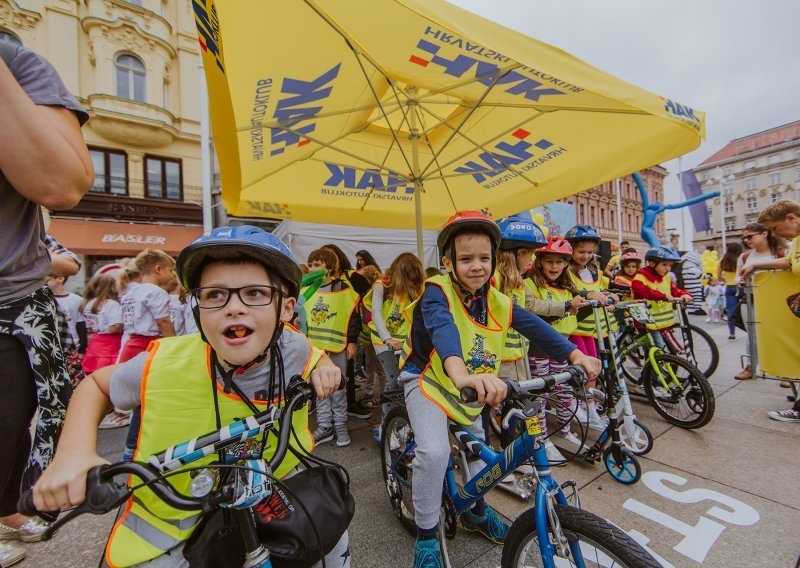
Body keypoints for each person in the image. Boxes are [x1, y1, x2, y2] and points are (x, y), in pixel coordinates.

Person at [32, 226, 349, 567]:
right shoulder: (163, 362)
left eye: (255, 293)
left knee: (334, 539)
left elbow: (305, 350)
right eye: (215, 295)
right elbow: (96, 384)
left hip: (270, 501)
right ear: (197, 308)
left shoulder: (293, 347)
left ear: (286, 310)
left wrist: (323, 363)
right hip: (167, 532)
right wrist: (73, 452)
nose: (234, 308)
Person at [399, 211, 601, 566]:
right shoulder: (436, 291)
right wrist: (462, 377)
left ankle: (475, 510)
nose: (476, 266)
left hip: (470, 385)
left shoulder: (495, 298)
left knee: (480, 452)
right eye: (465, 259)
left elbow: (534, 326)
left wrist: (574, 355)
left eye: (484, 258)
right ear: (447, 262)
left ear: (495, 260)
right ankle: (426, 535)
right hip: (428, 378)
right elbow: (444, 331)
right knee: (433, 454)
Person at [0, 43, 93, 565]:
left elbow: (63, 183)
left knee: (19, 414)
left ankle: (12, 505)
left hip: (12, 297)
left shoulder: (15, 63)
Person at [523, 236, 589, 460]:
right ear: (539, 261)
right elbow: (531, 307)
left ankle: (565, 431)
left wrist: (595, 296)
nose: (554, 267)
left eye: (559, 262)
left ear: (566, 264)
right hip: (538, 349)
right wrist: (568, 306)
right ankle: (540, 437)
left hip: (561, 348)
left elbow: (583, 295)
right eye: (549, 261)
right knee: (540, 395)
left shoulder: (567, 284)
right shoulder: (530, 283)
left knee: (564, 391)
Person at [740, 200, 800, 422]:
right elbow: (791, 262)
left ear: (791, 218)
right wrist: (756, 265)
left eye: (776, 228)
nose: (777, 233)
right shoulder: (797, 242)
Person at [119, 249, 177, 461]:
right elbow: (163, 321)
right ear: (158, 268)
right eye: (171, 270)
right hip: (148, 346)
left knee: (139, 402)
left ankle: (131, 448)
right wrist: (173, 347)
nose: (172, 275)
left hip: (131, 344)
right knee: (149, 401)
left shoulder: (130, 292)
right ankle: (136, 449)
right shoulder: (155, 292)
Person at [363, 252, 424, 442]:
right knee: (392, 381)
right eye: (408, 278)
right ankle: (387, 424)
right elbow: (376, 314)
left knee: (406, 380)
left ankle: (404, 422)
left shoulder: (417, 288)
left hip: (404, 341)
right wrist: (387, 339)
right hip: (383, 340)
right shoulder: (382, 286)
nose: (411, 283)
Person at [306, 248, 361, 446]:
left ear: (329, 268)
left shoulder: (342, 288)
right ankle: (324, 426)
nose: (312, 268)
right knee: (320, 388)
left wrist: (353, 342)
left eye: (317, 265)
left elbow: (353, 317)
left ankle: (340, 425)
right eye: (310, 264)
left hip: (338, 347)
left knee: (338, 388)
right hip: (315, 351)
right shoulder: (305, 290)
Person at [564, 225, 616, 430]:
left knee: (593, 370)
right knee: (581, 369)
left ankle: (589, 404)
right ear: (571, 250)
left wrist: (611, 296)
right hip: (576, 327)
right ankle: (575, 402)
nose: (585, 256)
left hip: (593, 329)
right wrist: (589, 295)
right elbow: (572, 290)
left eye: (589, 252)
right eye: (581, 251)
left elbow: (602, 289)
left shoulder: (594, 270)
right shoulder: (566, 271)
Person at [322, 244, 372, 419]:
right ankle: (330, 413)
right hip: (326, 331)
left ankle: (349, 404)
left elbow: (368, 290)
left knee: (348, 370)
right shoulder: (322, 280)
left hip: (348, 330)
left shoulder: (350, 276)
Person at [732, 223, 787, 380]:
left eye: (750, 236)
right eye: (744, 238)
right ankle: (750, 366)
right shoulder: (745, 256)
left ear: (764, 234)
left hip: (775, 299)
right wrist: (743, 279)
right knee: (752, 335)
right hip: (751, 299)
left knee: (778, 334)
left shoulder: (780, 252)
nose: (747, 240)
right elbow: (737, 278)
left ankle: (785, 372)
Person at [631, 246, 693, 349]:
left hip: (660, 321)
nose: (668, 269)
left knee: (664, 348)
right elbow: (642, 290)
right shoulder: (641, 276)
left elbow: (674, 290)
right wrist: (662, 296)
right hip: (646, 321)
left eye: (670, 265)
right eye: (664, 265)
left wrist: (684, 294)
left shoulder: (666, 277)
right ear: (652, 263)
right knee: (659, 348)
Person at [81, 273, 123, 375]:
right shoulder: (112, 304)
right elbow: (115, 327)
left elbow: (89, 329)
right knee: (109, 374)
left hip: (95, 343)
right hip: (110, 345)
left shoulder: (88, 304)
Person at [718, 242, 743, 341]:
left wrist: (726, 280)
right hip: (742, 286)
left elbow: (719, 276)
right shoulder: (742, 260)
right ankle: (751, 330)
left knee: (731, 311)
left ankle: (732, 334)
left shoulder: (722, 261)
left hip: (730, 287)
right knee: (747, 308)